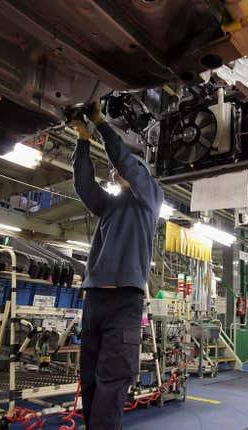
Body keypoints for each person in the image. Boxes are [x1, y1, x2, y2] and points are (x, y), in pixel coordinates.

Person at [71, 102, 164, 429]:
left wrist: (101, 124)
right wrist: (82, 140)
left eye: (123, 170)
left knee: (113, 380)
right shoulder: (109, 206)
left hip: (126, 301)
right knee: (91, 376)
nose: (115, 172)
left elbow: (124, 161)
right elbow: (84, 186)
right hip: (95, 299)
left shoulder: (151, 198)